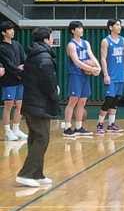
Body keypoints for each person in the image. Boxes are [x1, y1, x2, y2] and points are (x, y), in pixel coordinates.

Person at [16, 27, 59, 188]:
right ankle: (26, 174)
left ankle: (37, 174)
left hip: (31, 102)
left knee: (35, 137)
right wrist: (55, 94)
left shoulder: (33, 55)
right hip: (38, 103)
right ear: (47, 39)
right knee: (42, 138)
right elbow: (47, 81)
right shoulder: (44, 58)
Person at [96, 19, 124, 135]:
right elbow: (103, 58)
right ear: (110, 27)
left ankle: (111, 124)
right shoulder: (106, 41)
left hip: (120, 74)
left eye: (120, 25)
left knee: (116, 100)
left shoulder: (122, 40)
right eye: (117, 25)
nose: (120, 27)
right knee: (109, 100)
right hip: (111, 75)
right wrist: (106, 74)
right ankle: (100, 124)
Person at [64, 21, 101, 138]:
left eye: (82, 28)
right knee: (73, 101)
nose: (81, 30)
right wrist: (91, 68)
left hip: (85, 75)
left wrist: (98, 67)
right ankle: (67, 128)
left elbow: (91, 55)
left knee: (82, 101)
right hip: (75, 74)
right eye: (79, 28)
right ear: (73, 30)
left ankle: (79, 127)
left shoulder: (86, 43)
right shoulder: (71, 45)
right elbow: (76, 61)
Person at [0, 21, 27, 142]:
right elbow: (8, 65)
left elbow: (23, 59)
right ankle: (7, 131)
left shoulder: (17, 44)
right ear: (3, 32)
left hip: (20, 80)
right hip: (9, 80)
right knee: (8, 105)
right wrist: (18, 70)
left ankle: (16, 128)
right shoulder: (2, 47)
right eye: (10, 29)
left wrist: (23, 70)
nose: (12, 31)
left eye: (13, 29)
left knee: (20, 105)